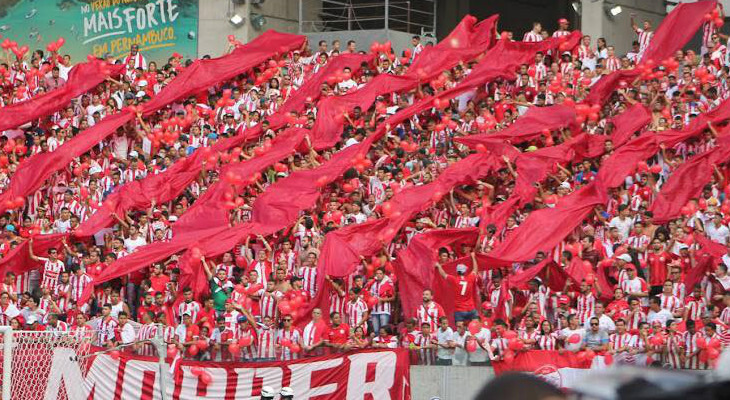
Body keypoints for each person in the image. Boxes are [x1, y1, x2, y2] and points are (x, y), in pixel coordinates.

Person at [435, 252, 478, 322]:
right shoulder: (470, 278)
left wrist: (439, 266)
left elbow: (443, 274)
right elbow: (475, 270)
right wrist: (473, 257)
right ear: (465, 271)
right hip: (471, 309)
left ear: (457, 272)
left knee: (460, 331)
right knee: (475, 329)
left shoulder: (454, 279)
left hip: (459, 310)